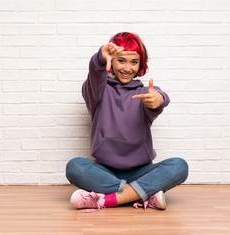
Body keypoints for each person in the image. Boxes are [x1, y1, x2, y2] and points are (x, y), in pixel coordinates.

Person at [65, 32, 189, 212]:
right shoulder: (98, 91)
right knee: (75, 166)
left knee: (179, 166)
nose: (127, 68)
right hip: (104, 172)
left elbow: (159, 96)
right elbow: (94, 74)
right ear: (112, 62)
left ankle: (106, 200)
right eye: (121, 60)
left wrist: (159, 98)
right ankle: (144, 194)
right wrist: (100, 58)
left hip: (142, 172)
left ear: (140, 65)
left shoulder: (144, 93)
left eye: (134, 62)